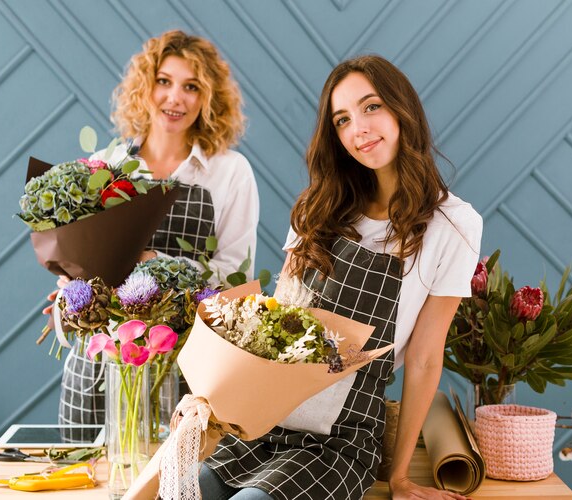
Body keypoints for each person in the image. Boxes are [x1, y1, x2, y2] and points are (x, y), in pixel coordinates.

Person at [199, 55, 482, 499]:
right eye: (343, 120)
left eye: (371, 108)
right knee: (186, 488)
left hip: (341, 439)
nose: (359, 130)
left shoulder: (453, 225)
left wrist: (401, 477)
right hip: (266, 420)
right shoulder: (319, 207)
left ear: (401, 108)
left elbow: (426, 359)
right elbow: (277, 321)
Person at [46, 30, 260, 427]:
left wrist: (151, 264)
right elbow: (77, 265)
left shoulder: (230, 173)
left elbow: (235, 279)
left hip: (183, 366)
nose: (175, 97)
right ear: (145, 88)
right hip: (100, 367)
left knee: (176, 484)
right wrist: (69, 300)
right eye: (164, 81)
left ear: (209, 99)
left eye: (191, 86)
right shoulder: (104, 165)